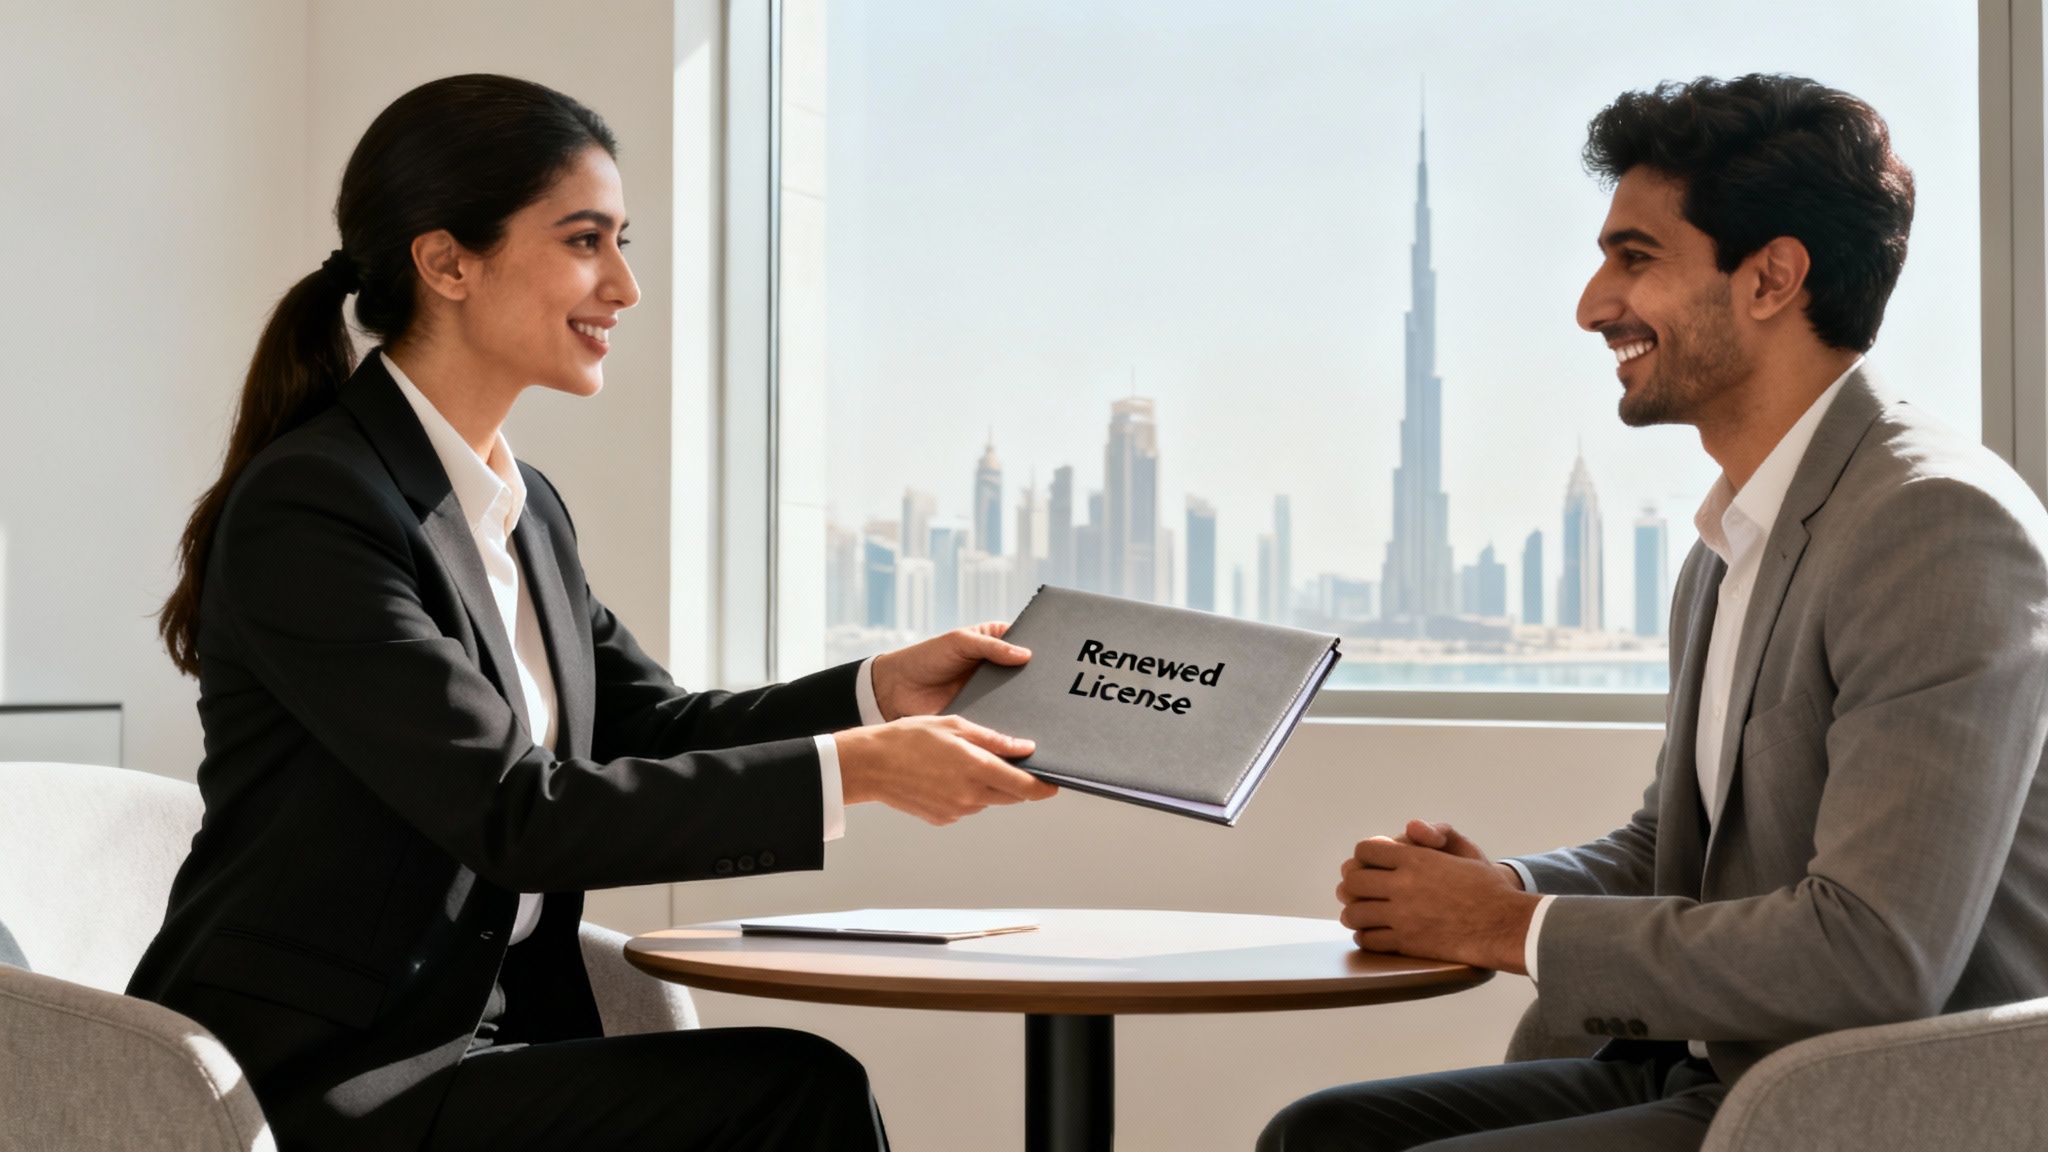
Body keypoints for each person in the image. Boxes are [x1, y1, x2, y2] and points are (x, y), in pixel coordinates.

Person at [129, 74, 1058, 1152]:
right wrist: (864, 770)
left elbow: (646, 730)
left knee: (790, 1086)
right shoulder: (318, 505)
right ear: (447, 262)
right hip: (323, 1080)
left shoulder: (521, 512)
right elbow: (514, 813)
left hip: (480, 1047)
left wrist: (872, 696)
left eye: (621, 242)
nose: (623, 284)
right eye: (584, 241)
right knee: (790, 1092)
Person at [1261, 73, 2048, 1150]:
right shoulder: (1735, 538)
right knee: (1322, 1136)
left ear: (1770, 278)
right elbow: (1671, 850)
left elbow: (1873, 954)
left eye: (1634, 259)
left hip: (1875, 1095)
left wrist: (1510, 929)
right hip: (1720, 1058)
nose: (1590, 305)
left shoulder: (1932, 525)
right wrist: (1498, 889)